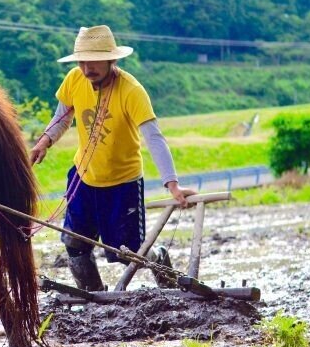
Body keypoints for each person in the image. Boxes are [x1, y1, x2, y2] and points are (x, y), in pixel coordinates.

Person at [30, 25, 195, 291]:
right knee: (74, 244)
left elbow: (154, 137)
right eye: (82, 62)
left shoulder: (131, 91)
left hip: (122, 183)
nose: (87, 69)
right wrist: (44, 142)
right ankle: (94, 298)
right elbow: (62, 117)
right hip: (84, 177)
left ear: (112, 60)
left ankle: (160, 260)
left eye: (94, 62)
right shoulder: (74, 80)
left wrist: (172, 184)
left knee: (128, 253)